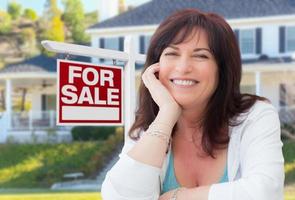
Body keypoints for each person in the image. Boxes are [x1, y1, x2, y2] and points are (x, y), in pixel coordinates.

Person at [101, 8, 284, 200]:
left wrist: (178, 197)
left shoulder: (254, 116)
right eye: (172, 53)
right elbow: (118, 196)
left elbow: (265, 192)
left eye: (200, 56)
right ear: (156, 66)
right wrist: (166, 115)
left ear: (222, 70)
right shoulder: (150, 127)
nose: (183, 67)